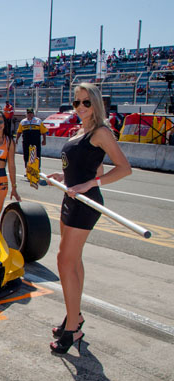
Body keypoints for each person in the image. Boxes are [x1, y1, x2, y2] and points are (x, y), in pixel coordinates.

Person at [46, 83, 131, 355]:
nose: (81, 107)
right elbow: (86, 166)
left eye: (86, 102)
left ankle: (73, 327)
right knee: (73, 261)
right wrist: (63, 178)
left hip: (85, 203)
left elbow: (123, 168)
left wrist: (89, 184)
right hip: (70, 198)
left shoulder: (101, 131)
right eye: (76, 103)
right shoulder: (80, 131)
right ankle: (75, 316)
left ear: (96, 104)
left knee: (64, 260)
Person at [16, 108, 48, 177]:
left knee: (36, 156)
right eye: (28, 113)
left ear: (33, 114)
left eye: (31, 113)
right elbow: (19, 132)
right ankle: (28, 170)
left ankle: (37, 170)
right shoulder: (23, 122)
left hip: (35, 141)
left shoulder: (38, 121)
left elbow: (43, 131)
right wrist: (16, 140)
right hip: (26, 141)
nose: (30, 115)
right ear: (26, 114)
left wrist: (44, 140)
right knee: (26, 156)